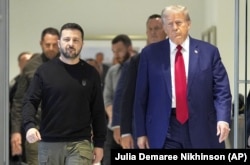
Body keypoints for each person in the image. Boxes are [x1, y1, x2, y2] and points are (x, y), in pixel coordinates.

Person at [133, 5, 232, 149]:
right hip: (165, 128)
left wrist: (223, 119)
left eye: (179, 22)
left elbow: (222, 90)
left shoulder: (209, 52)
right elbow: (141, 96)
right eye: (169, 24)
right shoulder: (150, 54)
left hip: (201, 125)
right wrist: (141, 132)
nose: (174, 27)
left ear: (188, 24)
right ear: (165, 28)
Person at [22, 22, 107, 165]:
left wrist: (99, 144)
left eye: (76, 40)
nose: (71, 43)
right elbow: (30, 101)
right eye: (67, 39)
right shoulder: (44, 71)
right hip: (49, 143)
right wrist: (29, 126)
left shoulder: (91, 73)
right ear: (59, 43)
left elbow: (98, 111)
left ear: (82, 44)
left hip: (80, 144)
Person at [11, 27, 60, 165]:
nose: (51, 48)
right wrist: (15, 132)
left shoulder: (69, 64)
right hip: (36, 130)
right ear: (41, 44)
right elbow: (19, 101)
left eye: (54, 44)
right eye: (47, 44)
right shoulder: (30, 67)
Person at [117, 14, 167, 149]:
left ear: (165, 30)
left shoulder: (175, 57)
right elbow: (127, 97)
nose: (153, 32)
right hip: (142, 127)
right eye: (150, 29)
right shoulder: (136, 61)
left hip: (170, 126)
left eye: (157, 28)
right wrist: (125, 131)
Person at [102, 34, 133, 165]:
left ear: (129, 49)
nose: (116, 55)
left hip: (132, 128)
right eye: (114, 51)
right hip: (112, 128)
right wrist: (115, 121)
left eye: (119, 50)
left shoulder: (138, 69)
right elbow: (107, 98)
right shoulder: (112, 71)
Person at [9, 51, 33, 164]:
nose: (30, 63)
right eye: (27, 61)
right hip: (17, 127)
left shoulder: (36, 81)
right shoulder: (13, 83)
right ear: (20, 63)